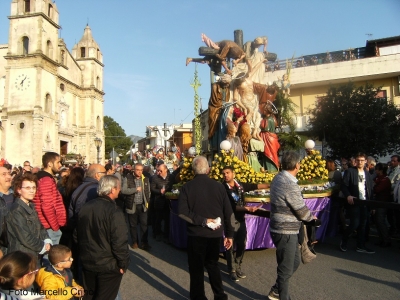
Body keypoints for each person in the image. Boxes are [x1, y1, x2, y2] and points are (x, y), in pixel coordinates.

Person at [178, 156, 234, 300]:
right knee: (213, 265)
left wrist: (202, 221)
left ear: (193, 170)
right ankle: (220, 295)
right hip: (214, 234)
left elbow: (182, 212)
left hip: (196, 234)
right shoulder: (219, 186)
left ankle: (198, 297)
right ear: (208, 170)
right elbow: (229, 213)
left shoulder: (187, 187)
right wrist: (230, 235)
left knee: (196, 269)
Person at [267, 151, 316, 300]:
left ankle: (277, 289)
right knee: (285, 269)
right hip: (285, 230)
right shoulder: (289, 183)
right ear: (297, 165)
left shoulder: (278, 177)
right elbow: (301, 211)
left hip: (284, 228)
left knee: (294, 261)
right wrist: (312, 218)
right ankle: (282, 296)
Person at [77, 175, 129, 300]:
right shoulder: (114, 211)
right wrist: (123, 264)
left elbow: (78, 235)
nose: (119, 190)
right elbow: (119, 241)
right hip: (108, 266)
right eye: (118, 188)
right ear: (112, 190)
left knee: (89, 296)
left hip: (88, 261)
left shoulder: (85, 207)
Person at [221, 166, 267, 282]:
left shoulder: (239, 185)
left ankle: (238, 265)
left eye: (227, 173)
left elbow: (254, 186)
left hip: (241, 219)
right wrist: (247, 209)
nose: (225, 175)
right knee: (230, 245)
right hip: (230, 219)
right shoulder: (223, 188)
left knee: (242, 244)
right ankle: (231, 270)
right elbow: (231, 207)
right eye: (224, 173)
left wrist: (270, 185)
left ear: (233, 174)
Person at [7, 173, 52, 258]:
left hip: (34, 254)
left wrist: (47, 240)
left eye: (34, 187)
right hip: (22, 256)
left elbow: (41, 227)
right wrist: (43, 246)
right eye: (27, 188)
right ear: (19, 190)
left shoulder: (31, 206)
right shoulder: (16, 210)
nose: (32, 191)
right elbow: (25, 237)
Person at [32, 152, 66, 258]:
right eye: (58, 162)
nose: (60, 165)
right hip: (48, 226)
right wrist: (55, 226)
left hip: (47, 225)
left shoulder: (45, 178)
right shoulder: (46, 180)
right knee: (50, 258)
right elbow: (46, 206)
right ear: (50, 164)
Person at [340, 152, 374, 254]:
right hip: (354, 202)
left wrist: (372, 205)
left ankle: (360, 245)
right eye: (358, 160)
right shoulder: (350, 171)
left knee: (363, 225)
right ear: (355, 161)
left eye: (362, 160)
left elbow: (370, 189)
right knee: (354, 224)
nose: (360, 162)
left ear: (365, 161)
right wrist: (348, 195)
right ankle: (344, 240)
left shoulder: (367, 174)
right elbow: (344, 185)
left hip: (364, 202)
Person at [121, 163, 151, 250]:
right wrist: (135, 190)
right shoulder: (128, 178)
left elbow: (148, 191)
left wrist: (147, 201)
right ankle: (135, 242)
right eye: (138, 170)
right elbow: (123, 190)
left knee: (144, 225)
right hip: (132, 205)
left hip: (142, 205)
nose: (140, 172)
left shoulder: (145, 179)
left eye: (141, 170)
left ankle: (144, 242)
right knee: (133, 225)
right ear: (134, 170)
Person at [373, 163, 391, 247]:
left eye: (377, 169)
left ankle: (386, 239)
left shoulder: (385, 180)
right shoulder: (377, 178)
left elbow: (377, 189)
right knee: (377, 221)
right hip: (377, 202)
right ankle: (381, 238)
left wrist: (373, 185)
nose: (375, 170)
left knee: (381, 221)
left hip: (382, 203)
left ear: (381, 170)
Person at [150, 164, 170, 242]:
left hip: (168, 201)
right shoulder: (155, 178)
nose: (159, 172)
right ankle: (157, 233)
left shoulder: (170, 177)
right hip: (158, 200)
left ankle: (166, 234)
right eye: (158, 170)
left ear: (165, 170)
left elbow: (172, 186)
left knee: (167, 219)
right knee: (158, 218)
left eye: (160, 171)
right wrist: (159, 191)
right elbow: (152, 189)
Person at [259, 101, 280, 172]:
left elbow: (265, 129)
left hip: (269, 138)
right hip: (271, 138)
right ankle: (267, 169)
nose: (263, 111)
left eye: (264, 110)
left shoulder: (269, 119)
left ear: (267, 110)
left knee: (269, 154)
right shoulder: (272, 118)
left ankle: (271, 169)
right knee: (268, 155)